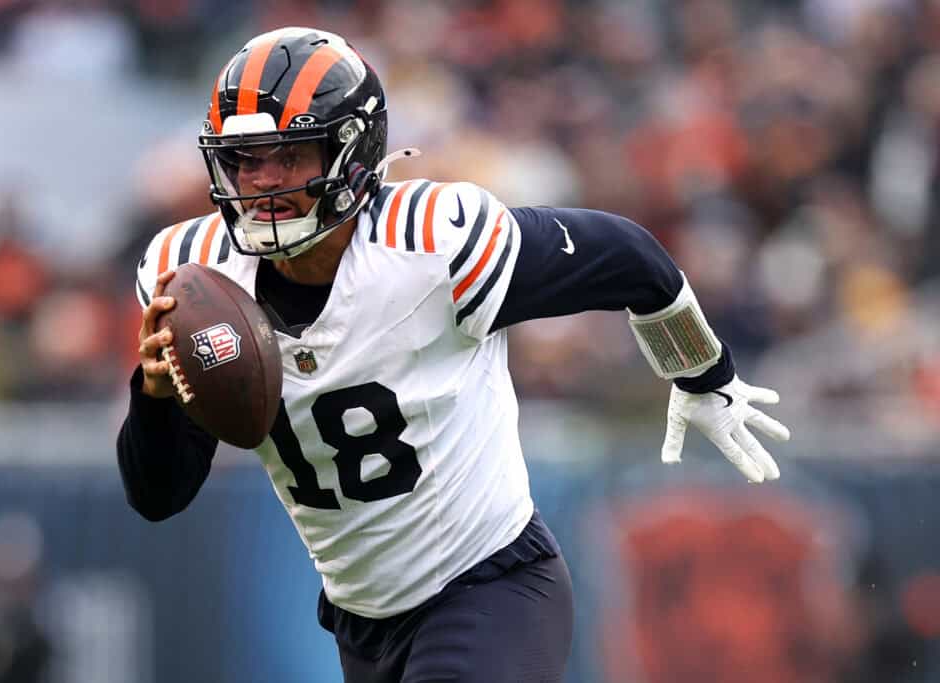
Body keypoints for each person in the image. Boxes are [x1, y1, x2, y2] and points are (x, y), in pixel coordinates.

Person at [117, 26, 791, 682]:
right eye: (245, 158)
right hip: (362, 621)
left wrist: (704, 373)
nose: (261, 181)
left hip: (490, 585)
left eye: (288, 155)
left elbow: (629, 256)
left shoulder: (431, 246)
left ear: (351, 155)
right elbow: (158, 495)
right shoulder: (195, 275)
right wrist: (154, 398)